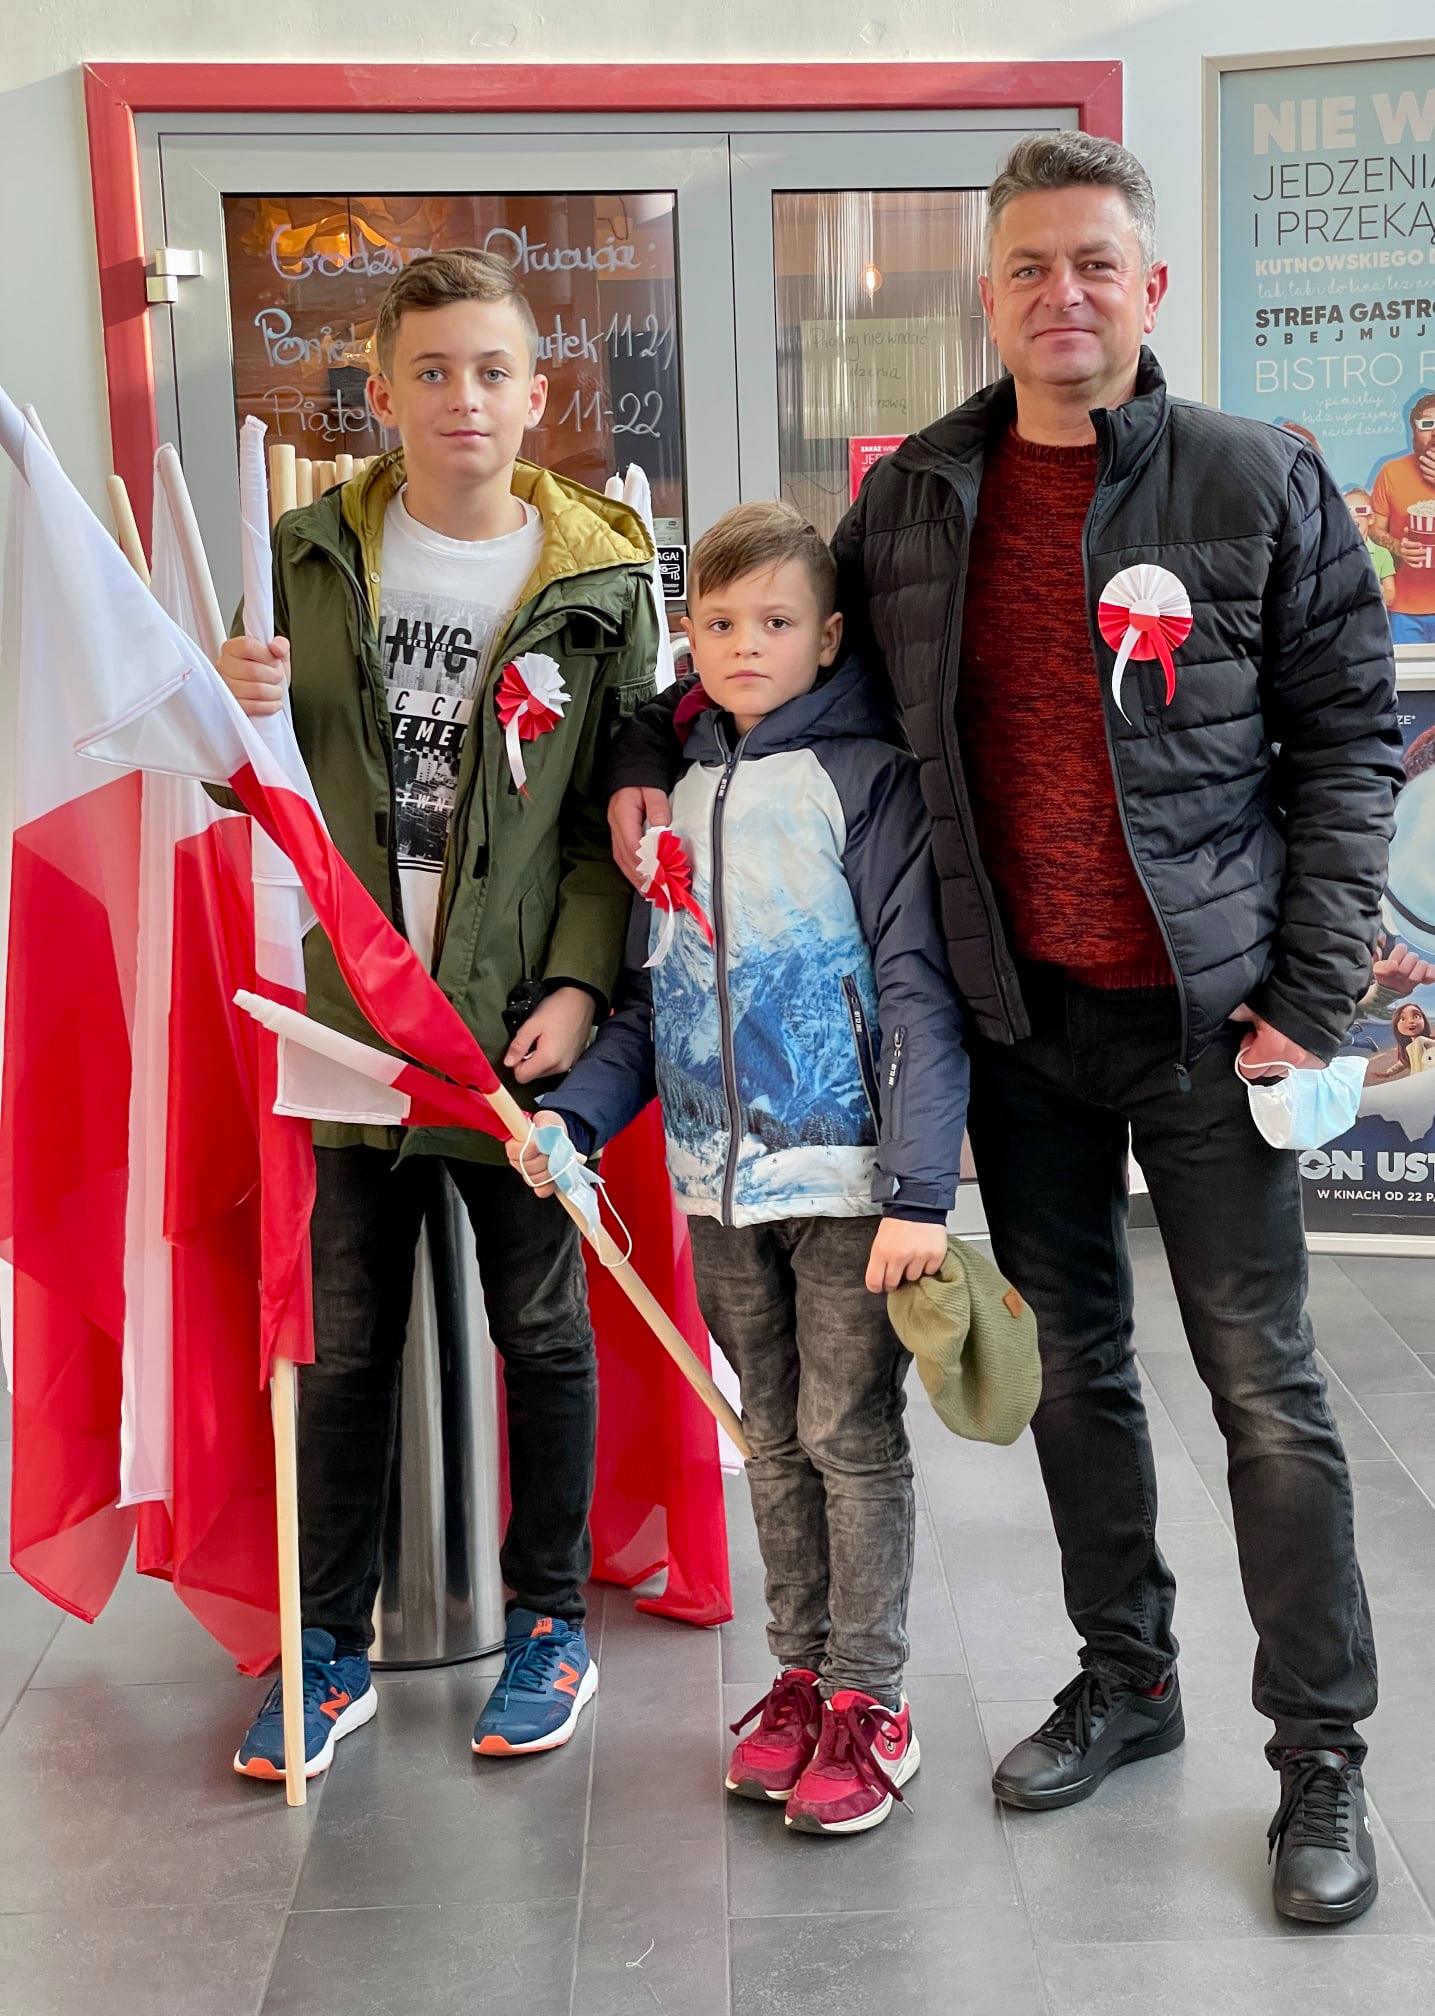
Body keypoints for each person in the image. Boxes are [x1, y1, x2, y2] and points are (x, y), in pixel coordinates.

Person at [608, 134, 1402, 1923]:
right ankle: (1127, 1677)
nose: (1063, 295)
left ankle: (1319, 1754)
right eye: (1029, 266)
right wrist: (651, 751)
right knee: (1072, 1375)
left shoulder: (1257, 477)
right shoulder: (916, 498)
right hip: (1019, 1025)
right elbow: (773, 651)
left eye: (1094, 263)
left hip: (1208, 1025)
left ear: (1149, 287)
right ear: (987, 295)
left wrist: (1306, 991)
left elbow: (1351, 739)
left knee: (1262, 1389)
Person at [217, 248, 659, 1778]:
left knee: (542, 1328)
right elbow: (245, 787)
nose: (461, 396)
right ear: (383, 392)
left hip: (509, 1034)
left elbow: (615, 816)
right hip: (346, 1027)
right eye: (430, 370)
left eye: (489, 371)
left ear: (535, 396)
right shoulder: (298, 557)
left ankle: (550, 1626)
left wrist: (580, 986)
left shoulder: (599, 582)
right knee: (343, 1345)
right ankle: (324, 1645)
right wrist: (224, 700)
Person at [518, 501, 967, 1836]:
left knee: (846, 1434)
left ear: (828, 637)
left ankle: (870, 1700)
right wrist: (577, 1121)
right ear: (687, 636)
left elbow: (916, 988)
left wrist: (920, 1191)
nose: (744, 646)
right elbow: (654, 1000)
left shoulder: (867, 779)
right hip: (716, 1184)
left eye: (774, 622)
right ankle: (798, 1675)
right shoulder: (676, 790)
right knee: (764, 1433)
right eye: (717, 624)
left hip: (847, 1182)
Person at [1370, 393, 1435, 645]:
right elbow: (1373, 529)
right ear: (1413, 431)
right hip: (1404, 609)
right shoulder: (1391, 472)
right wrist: (1398, 547)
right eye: (1427, 424)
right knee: (1405, 670)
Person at [1343, 487, 1398, 609]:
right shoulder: (1335, 553)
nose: (1353, 516)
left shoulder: (1382, 554)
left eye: (1360, 510)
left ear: (1371, 519)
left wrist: (1379, 592)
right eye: (1347, 511)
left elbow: (1391, 595)